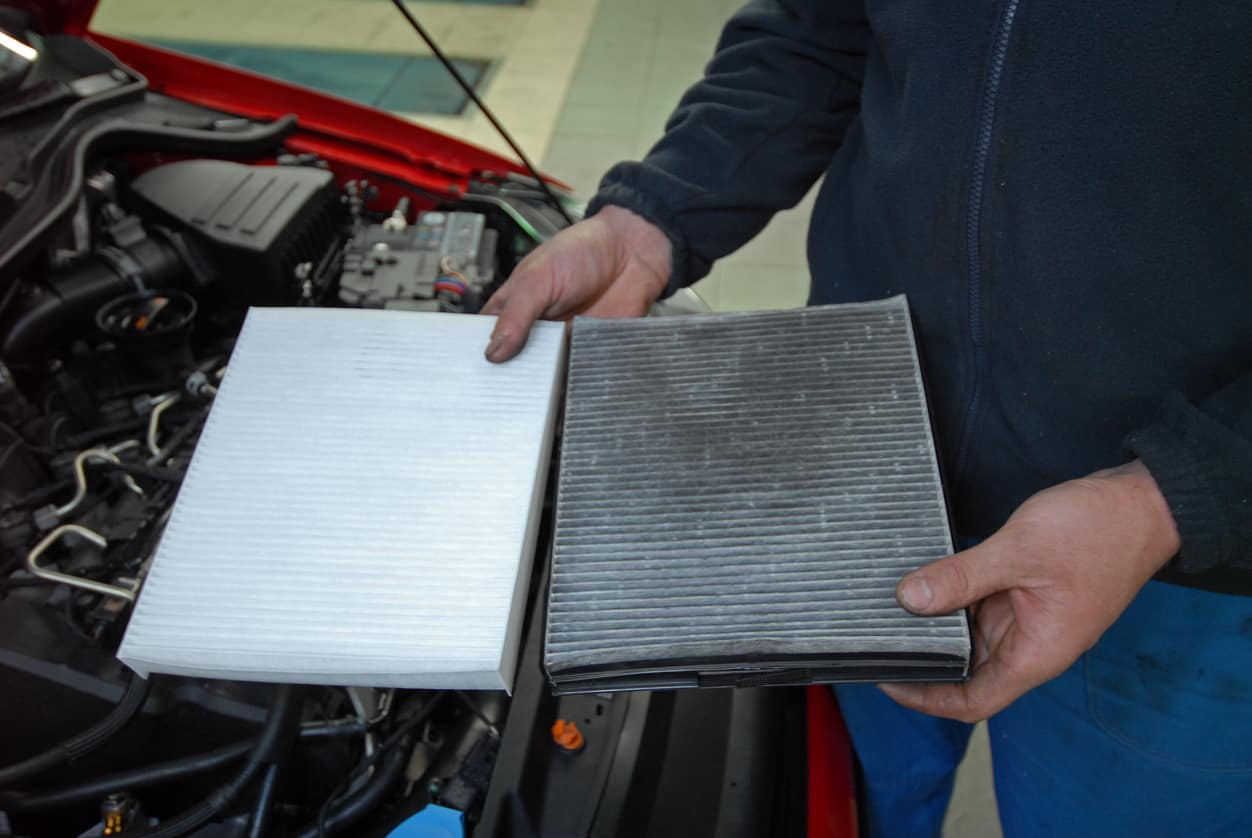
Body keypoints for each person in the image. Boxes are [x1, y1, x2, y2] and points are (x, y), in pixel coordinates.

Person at [482, 1, 1252, 834]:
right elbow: (819, 29)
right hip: (859, 471)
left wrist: (1179, 493)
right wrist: (653, 216)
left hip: (1179, 562)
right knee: (858, 801)